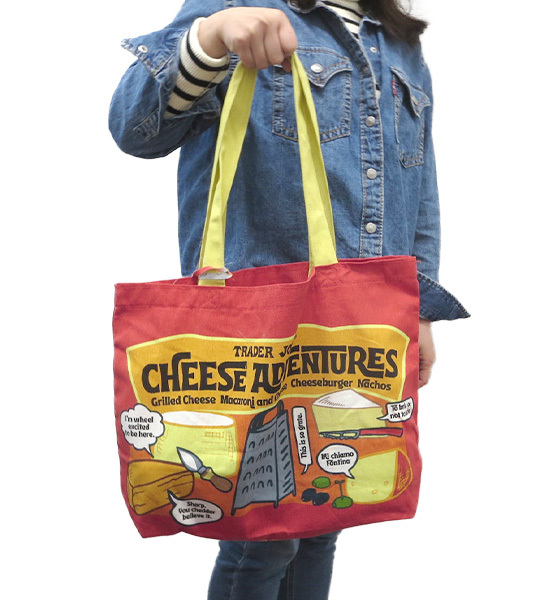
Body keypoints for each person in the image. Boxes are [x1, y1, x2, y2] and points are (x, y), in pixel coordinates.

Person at [109, 1, 470, 598]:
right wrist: (210, 38)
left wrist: (420, 307)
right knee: (261, 531)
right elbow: (134, 128)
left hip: (357, 330)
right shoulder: (240, 4)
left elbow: (420, 184)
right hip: (258, 329)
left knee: (323, 516)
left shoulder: (398, 41)